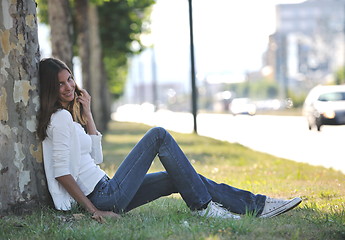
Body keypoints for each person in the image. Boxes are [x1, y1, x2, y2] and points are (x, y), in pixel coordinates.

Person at [37, 58, 301, 223]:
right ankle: (205, 207)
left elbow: (96, 158)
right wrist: (94, 210)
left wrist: (88, 114)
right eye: (60, 84)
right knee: (158, 135)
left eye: (70, 78)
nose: (69, 86)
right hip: (103, 196)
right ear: (50, 88)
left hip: (108, 188)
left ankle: (257, 205)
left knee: (180, 177)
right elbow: (62, 172)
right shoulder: (59, 119)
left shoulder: (69, 118)